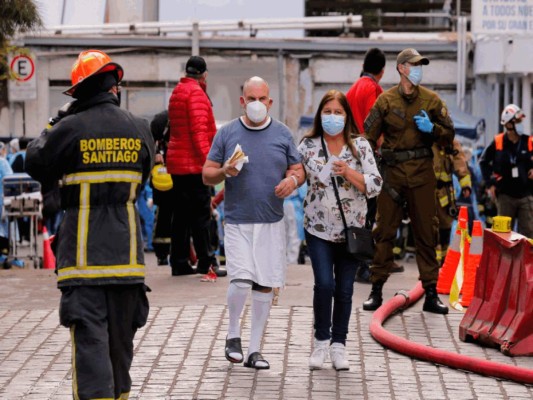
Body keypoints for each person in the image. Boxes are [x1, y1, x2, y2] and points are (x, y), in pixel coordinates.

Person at [25, 49, 154, 399]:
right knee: (119, 352)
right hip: (127, 261)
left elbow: (34, 161)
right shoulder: (141, 128)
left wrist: (55, 122)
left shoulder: (68, 128)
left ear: (79, 92)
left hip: (83, 263)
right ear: (115, 87)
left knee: (91, 352)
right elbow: (140, 184)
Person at [203, 76, 304, 370]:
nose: (257, 104)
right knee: (241, 278)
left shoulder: (283, 134)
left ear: (270, 102)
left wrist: (292, 180)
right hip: (237, 221)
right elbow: (207, 173)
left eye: (262, 98)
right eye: (251, 98)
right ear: (242, 101)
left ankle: (254, 349)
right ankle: (232, 335)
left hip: (271, 221)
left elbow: (298, 169)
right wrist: (224, 170)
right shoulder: (228, 134)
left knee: (264, 284)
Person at [362, 48, 455, 314]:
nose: (418, 69)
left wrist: (434, 129)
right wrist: (371, 167)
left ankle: (430, 292)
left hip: (423, 174)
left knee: (427, 232)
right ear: (401, 68)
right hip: (392, 174)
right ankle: (376, 289)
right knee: (384, 233)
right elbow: (367, 136)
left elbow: (449, 136)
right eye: (414, 65)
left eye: (421, 65)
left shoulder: (432, 101)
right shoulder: (385, 101)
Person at [299, 90, 382, 370]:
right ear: (319, 114)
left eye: (338, 112)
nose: (332, 117)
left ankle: (339, 345)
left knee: (345, 290)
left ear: (347, 117)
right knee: (324, 284)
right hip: (318, 228)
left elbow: (375, 184)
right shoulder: (308, 145)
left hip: (352, 231)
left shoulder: (360, 146)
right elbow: (297, 173)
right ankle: (321, 341)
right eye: (327, 111)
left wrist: (348, 172)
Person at [345, 47, 403, 281]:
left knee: (364, 208)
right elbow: (374, 122)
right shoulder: (371, 88)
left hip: (354, 153)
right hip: (370, 155)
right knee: (375, 209)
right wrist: (386, 149)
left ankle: (372, 259)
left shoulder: (352, 88)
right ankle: (368, 263)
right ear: (382, 70)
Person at [167, 55, 226, 277]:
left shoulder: (177, 92)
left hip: (177, 163)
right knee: (201, 215)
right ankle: (206, 262)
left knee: (180, 215)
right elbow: (200, 133)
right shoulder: (197, 94)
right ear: (204, 74)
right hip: (193, 165)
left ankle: (179, 262)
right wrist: (210, 162)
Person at [479, 104, 533, 238]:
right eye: (518, 121)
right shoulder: (498, 141)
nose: (521, 124)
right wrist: (490, 183)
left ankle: (528, 259)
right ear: (508, 124)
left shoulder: (529, 141)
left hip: (526, 195)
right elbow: (483, 162)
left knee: (528, 234)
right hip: (505, 196)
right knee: (503, 234)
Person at [432, 139, 471, 263]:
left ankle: (442, 260)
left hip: (444, 192)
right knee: (427, 226)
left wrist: (465, 184)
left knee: (445, 225)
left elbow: (459, 160)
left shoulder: (449, 140)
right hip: (425, 190)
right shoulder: (422, 136)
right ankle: (431, 262)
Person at [150, 109, 173, 265]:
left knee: (169, 216)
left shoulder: (161, 119)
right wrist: (156, 154)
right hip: (165, 178)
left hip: (172, 176)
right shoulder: (162, 120)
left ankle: (166, 253)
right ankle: (163, 254)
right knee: (165, 216)